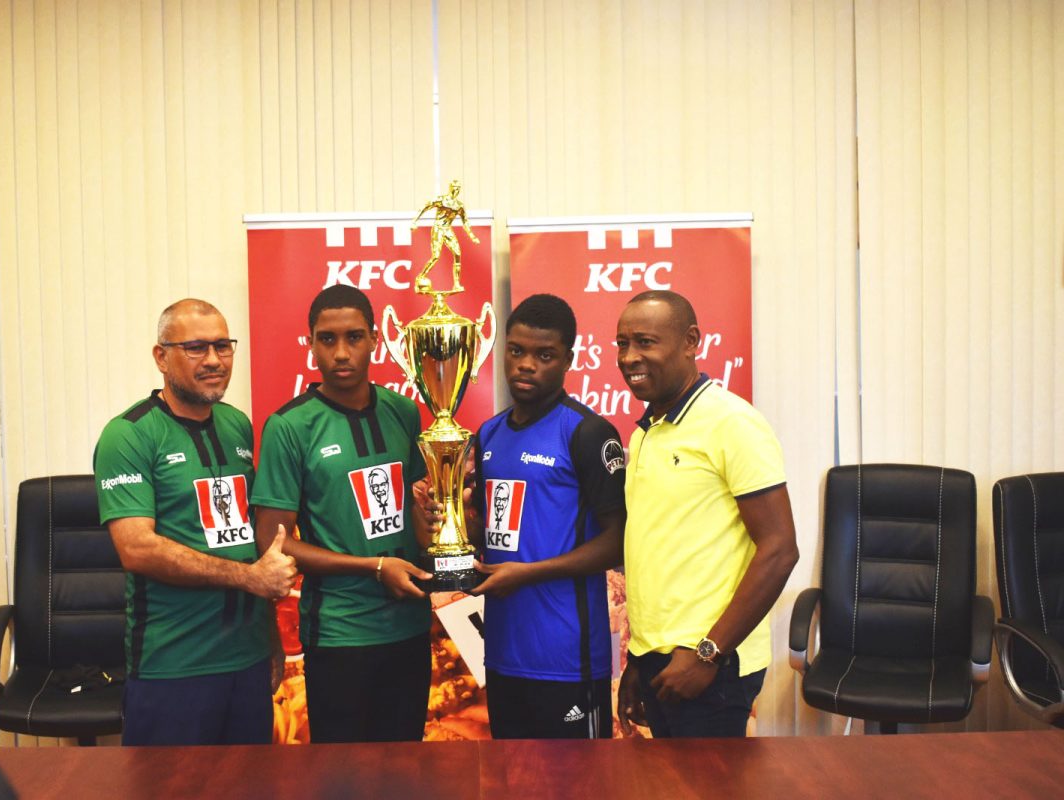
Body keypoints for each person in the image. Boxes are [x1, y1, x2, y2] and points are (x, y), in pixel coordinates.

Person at [419, 294, 627, 739]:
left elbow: (616, 542)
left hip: (568, 657)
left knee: (577, 787)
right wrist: (448, 516)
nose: (526, 365)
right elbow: (491, 535)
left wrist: (527, 574)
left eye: (544, 355)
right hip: (502, 652)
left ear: (568, 359)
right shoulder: (488, 434)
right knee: (511, 780)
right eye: (516, 351)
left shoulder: (588, 433)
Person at [94, 298, 297, 746]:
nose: (213, 361)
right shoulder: (128, 435)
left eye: (223, 347)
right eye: (196, 348)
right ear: (161, 356)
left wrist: (271, 641)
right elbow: (136, 548)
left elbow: (248, 542)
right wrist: (249, 578)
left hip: (247, 661)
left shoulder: (238, 426)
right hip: (173, 666)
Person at [251, 284, 433, 743]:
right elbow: (272, 543)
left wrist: (443, 519)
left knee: (406, 772)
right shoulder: (289, 426)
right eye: (327, 339)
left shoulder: (404, 412)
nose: (341, 352)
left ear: (374, 339)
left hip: (408, 625)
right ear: (310, 344)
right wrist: (373, 567)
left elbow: (416, 514)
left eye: (354, 337)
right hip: (339, 633)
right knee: (344, 778)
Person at [614, 290, 799, 738]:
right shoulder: (646, 434)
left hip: (709, 664)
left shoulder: (732, 423)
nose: (629, 357)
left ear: (691, 341)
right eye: (622, 344)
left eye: (645, 342)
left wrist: (707, 654)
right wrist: (639, 658)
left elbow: (780, 550)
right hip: (659, 658)